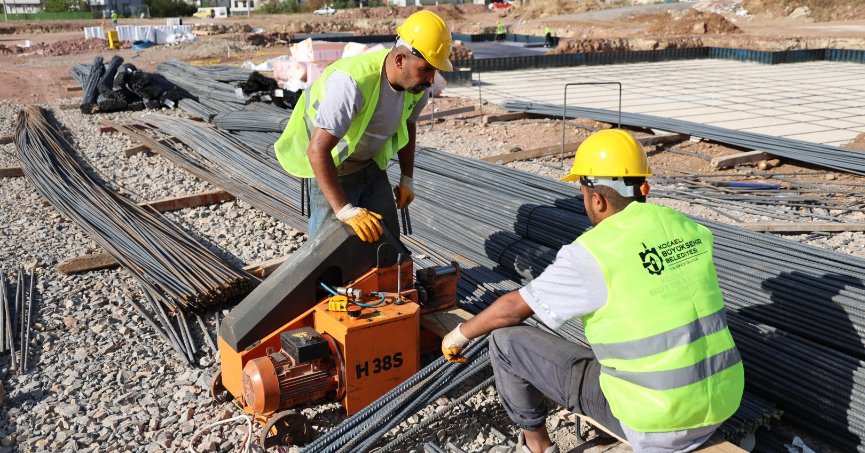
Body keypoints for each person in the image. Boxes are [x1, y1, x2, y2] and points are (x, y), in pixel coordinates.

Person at [441, 129, 744, 453]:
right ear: (644, 187)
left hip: (658, 423)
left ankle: (538, 448)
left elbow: (513, 308)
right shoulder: (690, 229)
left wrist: (460, 334)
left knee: (504, 343)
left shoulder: (593, 253)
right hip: (722, 401)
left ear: (596, 199)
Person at [274, 10, 453, 243]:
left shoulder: (416, 88)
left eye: (434, 70)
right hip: (332, 166)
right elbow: (317, 150)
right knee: (327, 249)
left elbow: (408, 125)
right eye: (426, 69)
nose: (431, 79)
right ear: (400, 60)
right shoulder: (352, 82)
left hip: (370, 165)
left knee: (386, 239)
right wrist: (345, 210)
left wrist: (407, 179)